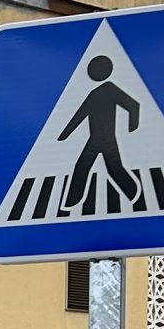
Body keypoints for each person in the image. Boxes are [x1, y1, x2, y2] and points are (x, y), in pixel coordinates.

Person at [58, 56, 142, 215]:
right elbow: (80, 115)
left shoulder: (110, 89)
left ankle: (134, 193)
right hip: (95, 138)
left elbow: (133, 105)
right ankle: (72, 201)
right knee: (88, 167)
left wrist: (133, 126)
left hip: (106, 138)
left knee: (107, 168)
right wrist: (64, 135)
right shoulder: (94, 93)